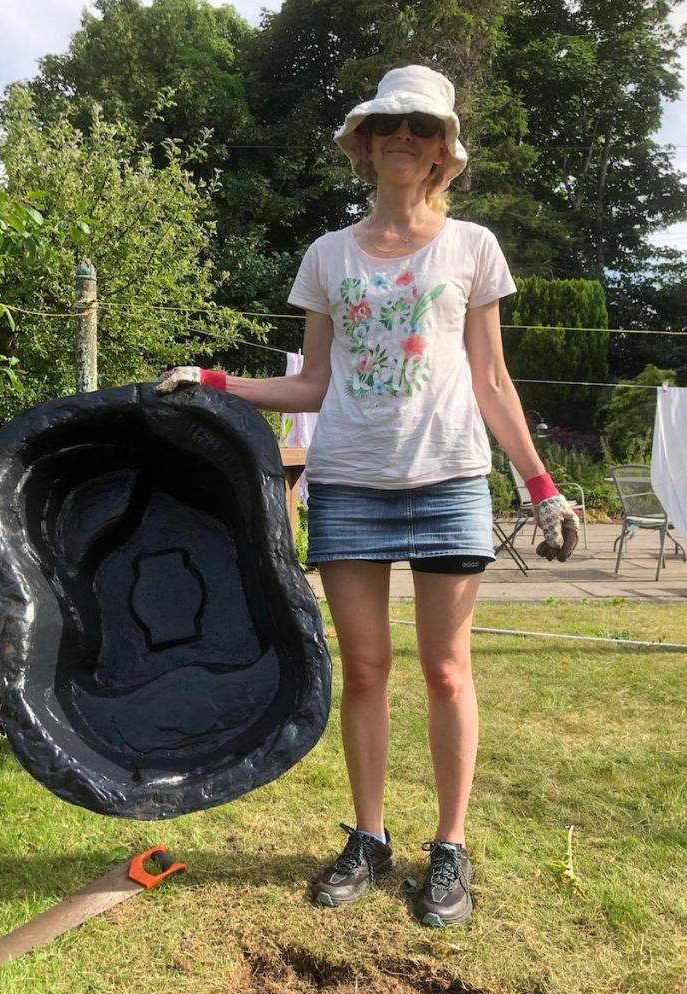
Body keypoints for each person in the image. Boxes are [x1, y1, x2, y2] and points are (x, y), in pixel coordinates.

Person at [156, 65, 579, 928]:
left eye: (422, 127)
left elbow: (493, 381)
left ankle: (450, 846)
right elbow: (312, 383)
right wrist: (215, 382)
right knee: (366, 670)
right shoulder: (328, 255)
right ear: (366, 141)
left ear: (442, 150)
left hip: (451, 479)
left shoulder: (474, 247)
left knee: (448, 670)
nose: (403, 138)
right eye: (389, 124)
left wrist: (541, 486)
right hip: (349, 482)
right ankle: (370, 837)